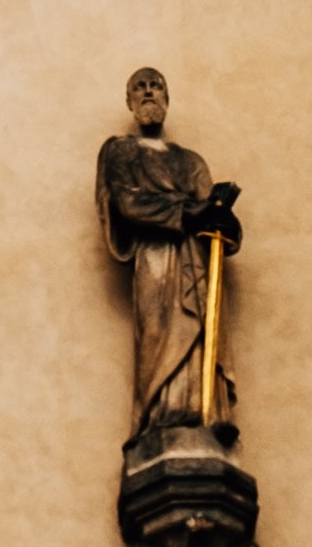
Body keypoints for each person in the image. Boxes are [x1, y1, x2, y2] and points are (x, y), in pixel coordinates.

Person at [94, 67, 240, 437]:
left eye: (155, 86)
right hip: (155, 258)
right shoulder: (121, 151)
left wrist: (224, 222)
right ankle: (157, 418)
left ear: (166, 100)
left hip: (195, 260)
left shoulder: (190, 162)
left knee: (200, 333)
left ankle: (201, 413)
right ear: (129, 101)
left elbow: (215, 217)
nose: (147, 93)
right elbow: (127, 202)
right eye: (138, 87)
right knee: (157, 331)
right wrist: (190, 211)